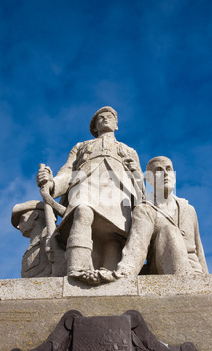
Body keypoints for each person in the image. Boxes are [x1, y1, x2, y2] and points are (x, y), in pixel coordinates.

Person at [36, 106, 144, 284]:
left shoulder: (128, 150)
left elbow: (140, 183)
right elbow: (67, 172)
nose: (105, 119)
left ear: (117, 125)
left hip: (117, 193)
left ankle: (113, 276)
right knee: (82, 211)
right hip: (86, 185)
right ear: (94, 128)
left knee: (115, 237)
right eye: (100, 118)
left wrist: (136, 176)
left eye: (109, 117)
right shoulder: (81, 147)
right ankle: (76, 269)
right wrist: (52, 183)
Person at [115, 156, 208, 278]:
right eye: (158, 170)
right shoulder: (145, 209)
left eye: (169, 169)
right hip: (163, 269)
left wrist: (208, 281)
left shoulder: (189, 209)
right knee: (169, 231)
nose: (165, 174)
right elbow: (137, 246)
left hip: (196, 274)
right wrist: (124, 272)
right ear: (148, 179)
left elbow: (199, 250)